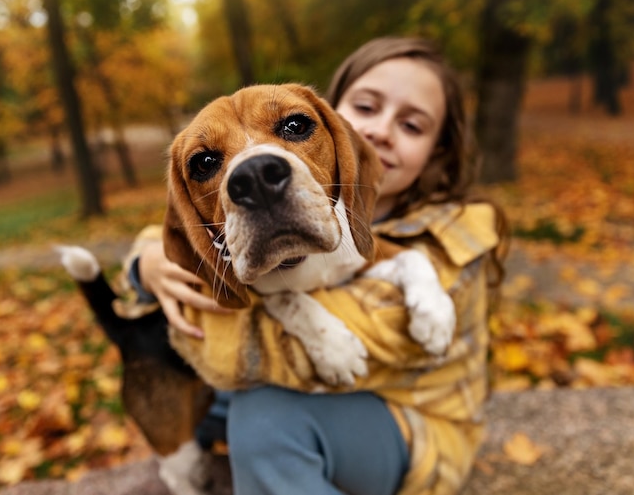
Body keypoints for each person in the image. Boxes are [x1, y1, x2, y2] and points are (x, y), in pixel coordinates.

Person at [123, 36, 508, 495]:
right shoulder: (217, 221)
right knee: (185, 398)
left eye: (292, 126)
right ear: (340, 112)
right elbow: (177, 236)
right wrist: (144, 263)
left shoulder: (460, 231)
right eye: (207, 163)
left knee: (261, 416)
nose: (382, 130)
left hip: (418, 428)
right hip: (325, 402)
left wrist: (264, 309)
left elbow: (231, 352)